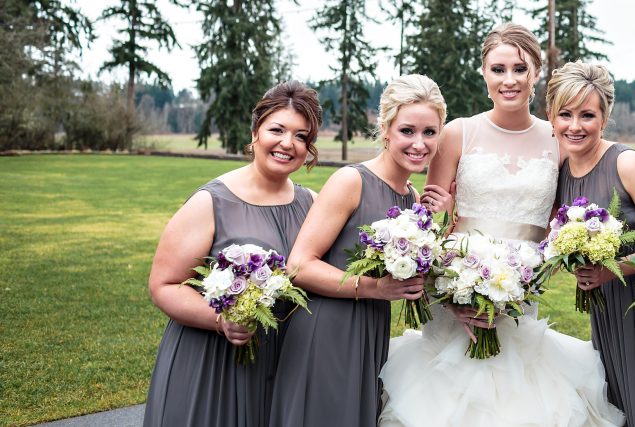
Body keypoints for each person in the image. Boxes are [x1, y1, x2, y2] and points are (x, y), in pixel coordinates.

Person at [379, 24, 623, 427]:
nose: (509, 80)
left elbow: (556, 225)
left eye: (519, 69)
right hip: (455, 291)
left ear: (536, 74)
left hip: (521, 295)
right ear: (484, 73)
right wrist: (454, 291)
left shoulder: (558, 139)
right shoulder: (458, 132)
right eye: (498, 69)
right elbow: (428, 230)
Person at [270, 75, 451, 427]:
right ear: (385, 129)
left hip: (372, 331)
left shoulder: (412, 199)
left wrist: (441, 220)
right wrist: (375, 289)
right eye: (407, 131)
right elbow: (299, 266)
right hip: (327, 330)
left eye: (430, 132)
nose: (419, 143)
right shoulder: (351, 181)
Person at [143, 81, 322, 427]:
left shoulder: (312, 203)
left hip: (285, 364)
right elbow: (163, 285)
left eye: (301, 136)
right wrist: (221, 320)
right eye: (277, 129)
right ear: (255, 131)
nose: (288, 143)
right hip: (215, 362)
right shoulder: (212, 202)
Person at [549, 61, 635, 426]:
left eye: (587, 115)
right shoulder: (562, 170)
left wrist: (616, 270)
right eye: (565, 114)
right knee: (618, 403)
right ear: (551, 116)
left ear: (605, 116)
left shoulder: (626, 164)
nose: (575, 126)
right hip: (607, 311)